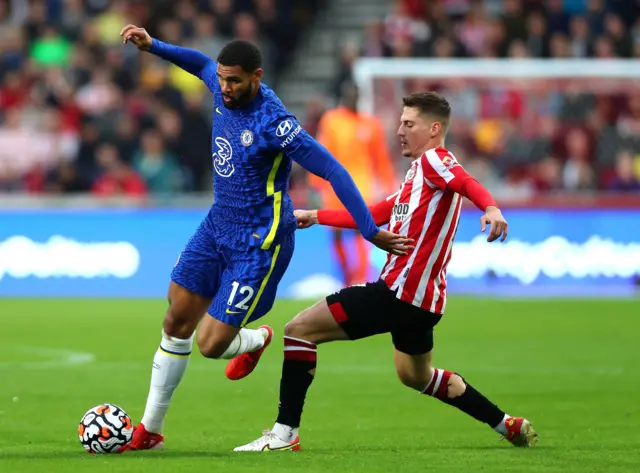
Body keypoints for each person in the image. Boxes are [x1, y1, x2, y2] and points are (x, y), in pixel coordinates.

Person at [117, 25, 413, 451]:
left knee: (210, 344)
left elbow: (333, 170)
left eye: (234, 80)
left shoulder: (275, 123)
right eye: (222, 79)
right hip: (217, 225)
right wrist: (154, 46)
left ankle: (256, 338)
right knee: (175, 319)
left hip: (259, 243)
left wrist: (369, 229)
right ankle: (151, 431)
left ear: (257, 76)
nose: (224, 87)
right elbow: (199, 63)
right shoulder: (219, 85)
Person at [234, 91, 538, 452]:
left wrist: (491, 208)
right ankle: (507, 424)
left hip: (397, 292)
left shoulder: (436, 162)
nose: (399, 130)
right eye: (400, 122)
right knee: (416, 376)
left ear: (434, 128)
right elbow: (376, 214)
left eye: (409, 124)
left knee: (298, 330)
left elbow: (466, 182)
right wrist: (316, 216)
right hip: (423, 304)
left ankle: (285, 434)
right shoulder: (417, 176)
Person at [309, 82, 397, 286]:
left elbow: (380, 158)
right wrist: (316, 183)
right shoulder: (332, 121)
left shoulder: (370, 124)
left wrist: (389, 184)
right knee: (337, 234)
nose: (354, 99)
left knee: (363, 230)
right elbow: (321, 153)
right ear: (344, 97)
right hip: (335, 188)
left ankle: (361, 277)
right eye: (350, 95)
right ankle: (347, 276)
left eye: (357, 95)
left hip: (362, 187)